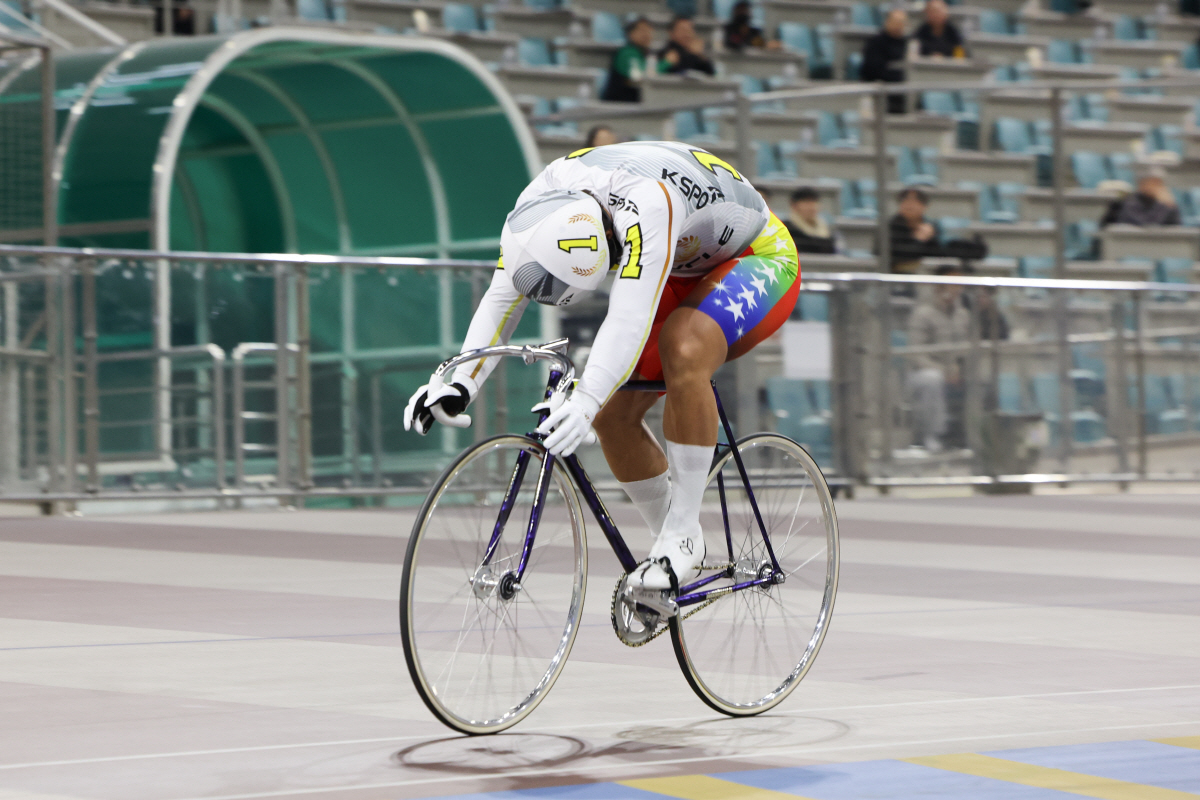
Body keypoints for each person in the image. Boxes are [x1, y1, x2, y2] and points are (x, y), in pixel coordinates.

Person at [404, 141, 800, 592]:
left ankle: (685, 533)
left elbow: (629, 316)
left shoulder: (650, 203)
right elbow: (502, 297)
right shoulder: (539, 205)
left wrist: (585, 399)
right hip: (679, 263)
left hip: (757, 259)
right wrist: (459, 382)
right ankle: (667, 549)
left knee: (685, 349)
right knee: (613, 414)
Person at [906, 264, 969, 453]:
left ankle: (971, 437)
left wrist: (958, 369)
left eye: (959, 283)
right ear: (938, 286)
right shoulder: (922, 314)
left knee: (982, 378)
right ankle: (932, 436)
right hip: (921, 373)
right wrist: (943, 371)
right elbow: (916, 354)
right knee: (933, 379)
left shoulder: (963, 315)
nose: (956, 288)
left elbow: (966, 349)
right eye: (952, 283)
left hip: (953, 373)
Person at [1099, 164, 1181, 228]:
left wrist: (1171, 207)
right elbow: (1144, 228)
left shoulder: (1164, 204)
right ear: (1142, 184)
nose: (1158, 187)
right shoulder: (1125, 202)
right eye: (1154, 183)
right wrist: (1165, 206)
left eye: (1160, 184)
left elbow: (1175, 227)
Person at [860, 8, 909, 113]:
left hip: (902, 90)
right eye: (896, 22)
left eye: (901, 23)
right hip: (882, 90)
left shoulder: (906, 43)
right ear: (887, 22)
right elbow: (871, 70)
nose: (898, 26)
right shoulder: (876, 43)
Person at [601, 17, 654, 103]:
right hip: (618, 104)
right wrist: (667, 62)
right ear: (630, 34)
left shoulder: (646, 54)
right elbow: (636, 78)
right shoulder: (627, 52)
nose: (646, 34)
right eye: (642, 30)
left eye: (649, 31)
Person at [889, 188, 941, 271]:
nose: (910, 205)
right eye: (905, 200)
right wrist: (918, 240)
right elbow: (894, 255)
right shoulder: (890, 226)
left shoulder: (931, 226)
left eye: (915, 201)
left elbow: (936, 254)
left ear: (924, 206)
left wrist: (930, 238)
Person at [784, 187, 836, 254]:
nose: (811, 206)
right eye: (806, 202)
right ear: (794, 205)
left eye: (814, 202)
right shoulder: (786, 228)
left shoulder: (828, 230)